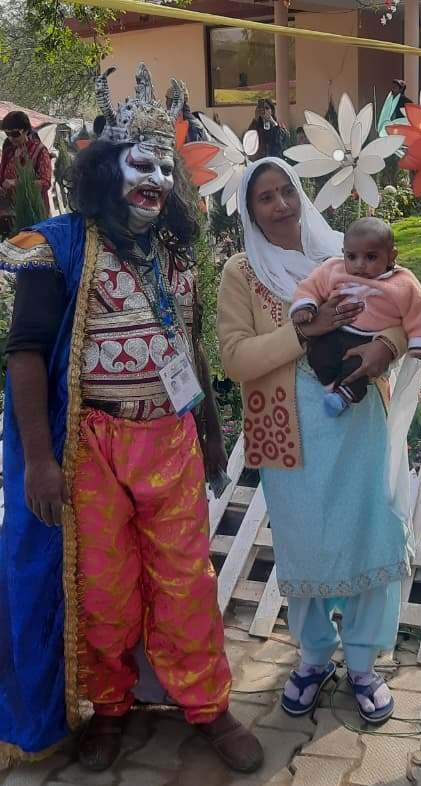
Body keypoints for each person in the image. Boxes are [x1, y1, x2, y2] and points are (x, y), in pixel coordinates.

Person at [0, 64, 263, 774]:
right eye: (140, 164)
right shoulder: (55, 246)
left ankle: (207, 706)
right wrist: (39, 461)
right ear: (103, 169)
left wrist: (211, 433)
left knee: (186, 581)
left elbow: (191, 348)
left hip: (171, 440)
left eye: (165, 168)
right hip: (91, 447)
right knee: (105, 588)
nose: (155, 180)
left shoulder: (173, 249)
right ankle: (111, 708)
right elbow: (25, 355)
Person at [217, 157, 415, 725]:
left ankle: (363, 665)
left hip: (358, 424)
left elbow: (401, 310)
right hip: (288, 431)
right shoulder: (241, 272)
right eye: (265, 198)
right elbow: (235, 358)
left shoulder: (342, 254)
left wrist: (387, 346)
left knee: (368, 532)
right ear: (249, 211)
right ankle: (313, 658)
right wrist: (307, 331)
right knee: (305, 542)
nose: (281, 205)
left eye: (287, 191)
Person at [290, 216, 421, 416]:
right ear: (343, 253)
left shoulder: (402, 282)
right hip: (337, 331)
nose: (359, 265)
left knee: (358, 368)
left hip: (369, 340)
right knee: (319, 353)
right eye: (352, 257)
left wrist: (420, 340)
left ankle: (343, 396)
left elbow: (417, 311)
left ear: (391, 256)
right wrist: (305, 306)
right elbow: (311, 286)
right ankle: (329, 381)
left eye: (371, 257)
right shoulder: (333, 269)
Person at [0, 111, 51, 227]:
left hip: (32, 213)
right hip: (8, 212)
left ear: (26, 130)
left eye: (15, 134)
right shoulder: (8, 150)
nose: (11, 138)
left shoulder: (40, 151)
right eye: (7, 134)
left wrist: (16, 183)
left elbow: (45, 183)